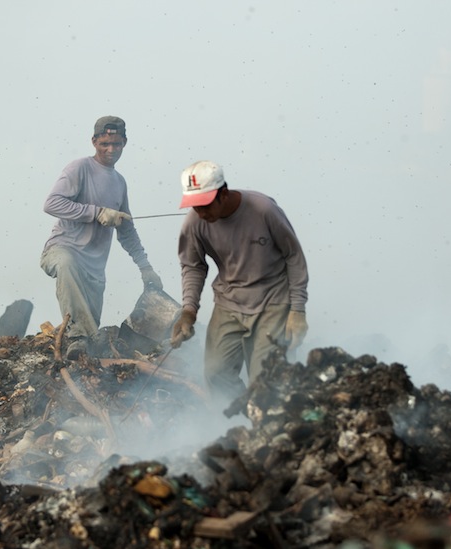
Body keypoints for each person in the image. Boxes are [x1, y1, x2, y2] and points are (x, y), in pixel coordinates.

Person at [170, 160, 309, 404]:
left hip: (273, 302)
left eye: (204, 205)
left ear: (223, 193)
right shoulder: (195, 223)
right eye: (194, 206)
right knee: (216, 374)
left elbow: (294, 256)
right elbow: (193, 267)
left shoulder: (264, 210)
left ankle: (270, 425)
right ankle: (241, 423)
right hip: (229, 303)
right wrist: (188, 312)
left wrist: (297, 310)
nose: (200, 213)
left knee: (267, 379)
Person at [41, 116, 163, 359]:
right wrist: (96, 213)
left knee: (91, 338)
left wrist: (145, 268)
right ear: (94, 141)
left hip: (94, 270)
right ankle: (76, 337)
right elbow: (51, 204)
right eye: (104, 143)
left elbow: (127, 230)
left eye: (116, 144)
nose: (110, 150)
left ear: (124, 143)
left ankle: (77, 367)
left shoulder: (119, 183)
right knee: (80, 329)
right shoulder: (79, 168)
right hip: (62, 249)